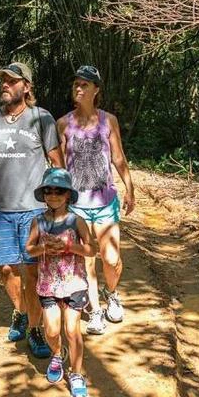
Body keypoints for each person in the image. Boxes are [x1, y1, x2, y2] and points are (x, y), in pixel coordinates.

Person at [0, 61, 64, 358]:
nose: (5, 85)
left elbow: (56, 161)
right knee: (6, 269)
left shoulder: (41, 119)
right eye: (3, 81)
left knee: (32, 273)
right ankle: (20, 311)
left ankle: (35, 329)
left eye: (12, 81)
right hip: (0, 210)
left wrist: (62, 204)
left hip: (34, 209)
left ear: (26, 87)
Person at [56, 65, 135, 336]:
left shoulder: (108, 121)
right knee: (87, 260)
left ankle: (111, 292)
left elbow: (118, 157)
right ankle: (96, 311)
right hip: (78, 205)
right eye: (76, 84)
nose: (79, 88)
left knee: (112, 260)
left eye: (85, 85)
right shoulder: (63, 124)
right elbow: (60, 166)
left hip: (105, 202)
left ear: (96, 90)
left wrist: (130, 188)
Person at [25, 167, 93, 397]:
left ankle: (76, 374)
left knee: (72, 330)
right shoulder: (39, 222)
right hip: (48, 284)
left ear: (67, 195)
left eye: (59, 191)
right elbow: (29, 249)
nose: (53, 195)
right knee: (52, 330)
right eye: (49, 191)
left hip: (74, 283)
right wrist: (44, 248)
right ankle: (56, 353)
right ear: (43, 194)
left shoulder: (77, 221)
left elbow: (92, 249)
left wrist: (68, 247)